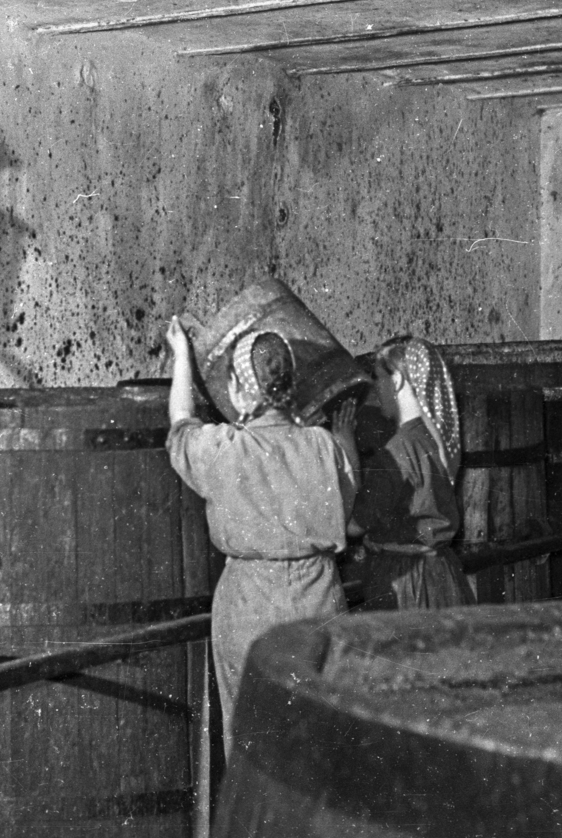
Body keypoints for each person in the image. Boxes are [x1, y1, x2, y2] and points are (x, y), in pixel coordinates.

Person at [163, 316, 357, 756]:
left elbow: (180, 424)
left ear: (240, 390)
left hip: (249, 607)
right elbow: (347, 501)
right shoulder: (324, 445)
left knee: (256, 745)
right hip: (319, 600)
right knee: (321, 740)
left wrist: (182, 358)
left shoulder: (224, 449)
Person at [351, 336, 473, 610]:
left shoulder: (397, 450)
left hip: (406, 583)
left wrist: (345, 444)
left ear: (400, 381)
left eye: (379, 378)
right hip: (441, 576)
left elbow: (354, 524)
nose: (377, 388)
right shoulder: (434, 439)